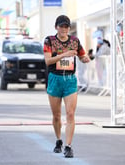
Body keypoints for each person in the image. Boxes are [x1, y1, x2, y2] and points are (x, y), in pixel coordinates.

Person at [43, 15, 90, 158]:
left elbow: (82, 55)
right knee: (56, 115)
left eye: (66, 27)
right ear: (56, 27)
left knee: (70, 114)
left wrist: (85, 58)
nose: (63, 29)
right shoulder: (49, 40)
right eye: (61, 26)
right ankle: (58, 140)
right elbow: (48, 61)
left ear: (69, 28)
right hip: (55, 79)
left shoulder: (75, 41)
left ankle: (68, 146)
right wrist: (64, 55)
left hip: (70, 80)